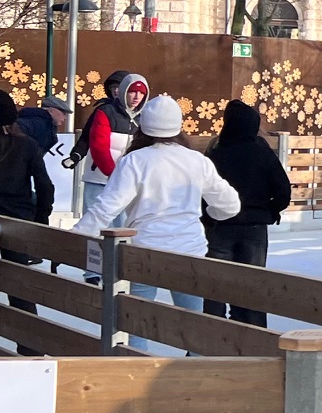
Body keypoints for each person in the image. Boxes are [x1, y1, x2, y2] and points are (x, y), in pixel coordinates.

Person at [76, 95, 240, 315]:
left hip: (145, 249)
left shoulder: (134, 161)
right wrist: (211, 213)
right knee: (191, 321)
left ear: (144, 126)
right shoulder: (197, 161)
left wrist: (75, 235)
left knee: (136, 318)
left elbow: (106, 208)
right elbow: (230, 205)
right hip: (189, 250)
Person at [200, 100, 293, 325]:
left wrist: (207, 217)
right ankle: (254, 336)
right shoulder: (262, 152)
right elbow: (283, 190)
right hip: (254, 228)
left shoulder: (216, 151)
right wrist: (270, 211)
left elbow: (203, 191)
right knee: (252, 287)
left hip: (220, 227)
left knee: (215, 288)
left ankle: (212, 337)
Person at [0, 89, 55, 328]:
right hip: (18, 220)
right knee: (20, 286)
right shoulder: (27, 145)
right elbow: (45, 186)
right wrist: (40, 219)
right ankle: (28, 341)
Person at [67, 71, 150, 215]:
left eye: (141, 93)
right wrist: (76, 155)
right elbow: (93, 142)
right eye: (132, 92)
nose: (137, 96)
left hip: (127, 182)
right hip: (100, 177)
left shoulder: (144, 117)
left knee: (122, 222)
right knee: (95, 217)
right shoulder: (105, 111)